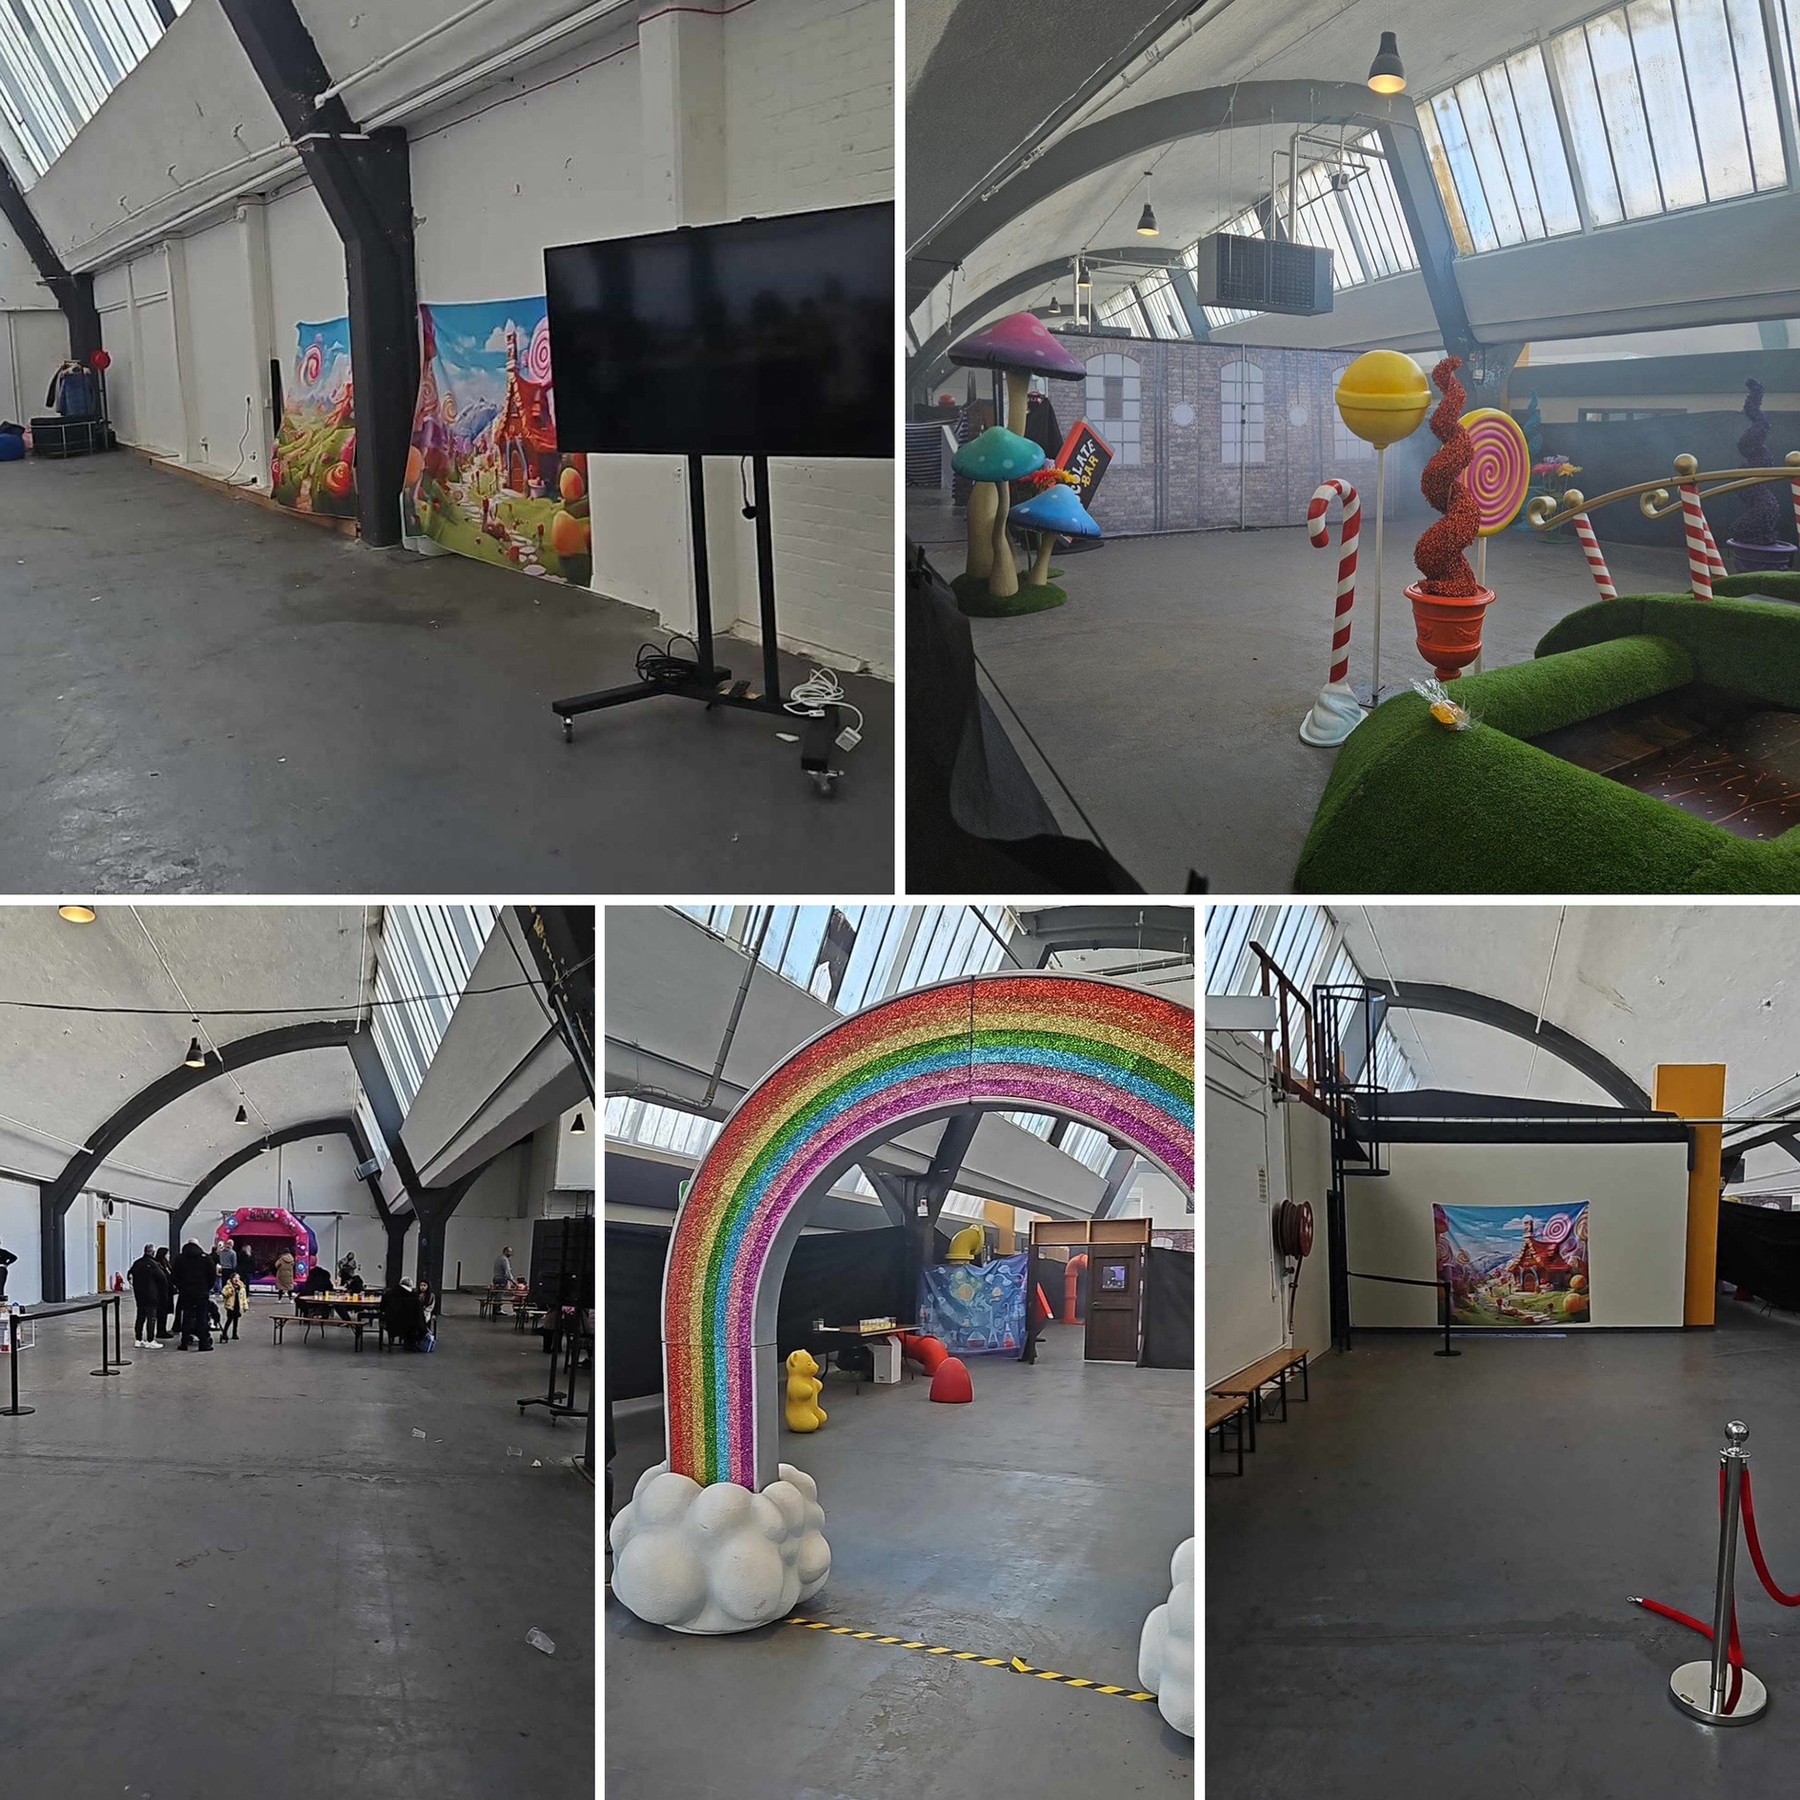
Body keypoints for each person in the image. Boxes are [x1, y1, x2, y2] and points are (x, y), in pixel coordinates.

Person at [175, 1239, 214, 1350]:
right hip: (201, 1291)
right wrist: (206, 1288)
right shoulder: (205, 1258)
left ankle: (184, 1343)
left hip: (186, 1292)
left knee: (186, 1316)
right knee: (202, 1317)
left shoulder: (180, 1258)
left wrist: (181, 1287)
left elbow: (175, 1275)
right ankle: (203, 1343)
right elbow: (212, 1275)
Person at [128, 1244, 164, 1348]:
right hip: (151, 1295)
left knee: (140, 1317)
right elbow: (162, 1278)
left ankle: (138, 1339)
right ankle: (150, 1340)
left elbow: (129, 1275)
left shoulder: (137, 1263)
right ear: (153, 1252)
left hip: (139, 1294)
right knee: (151, 1318)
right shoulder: (153, 1264)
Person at [219, 1269, 249, 1342]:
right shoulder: (228, 1286)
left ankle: (234, 1333)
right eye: (235, 1277)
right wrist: (230, 1291)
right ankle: (224, 1333)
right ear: (231, 1278)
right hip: (230, 1306)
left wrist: (245, 1306)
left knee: (236, 1320)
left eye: (238, 1278)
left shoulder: (241, 1287)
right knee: (229, 1319)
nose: (236, 1279)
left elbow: (243, 1297)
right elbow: (224, 1294)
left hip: (237, 1305)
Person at [153, 1246, 174, 1340]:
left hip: (167, 1292)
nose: (169, 1256)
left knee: (164, 1312)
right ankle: (160, 1330)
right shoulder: (158, 1265)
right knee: (161, 1312)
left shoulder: (166, 1265)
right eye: (167, 1254)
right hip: (161, 1293)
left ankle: (163, 1329)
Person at [0, 1238, 14, 1303]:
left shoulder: (3, 1252)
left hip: (1, 1269)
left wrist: (7, 1264)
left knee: (0, 1285)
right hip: (2, 1269)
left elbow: (13, 1257)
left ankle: (1, 1301)